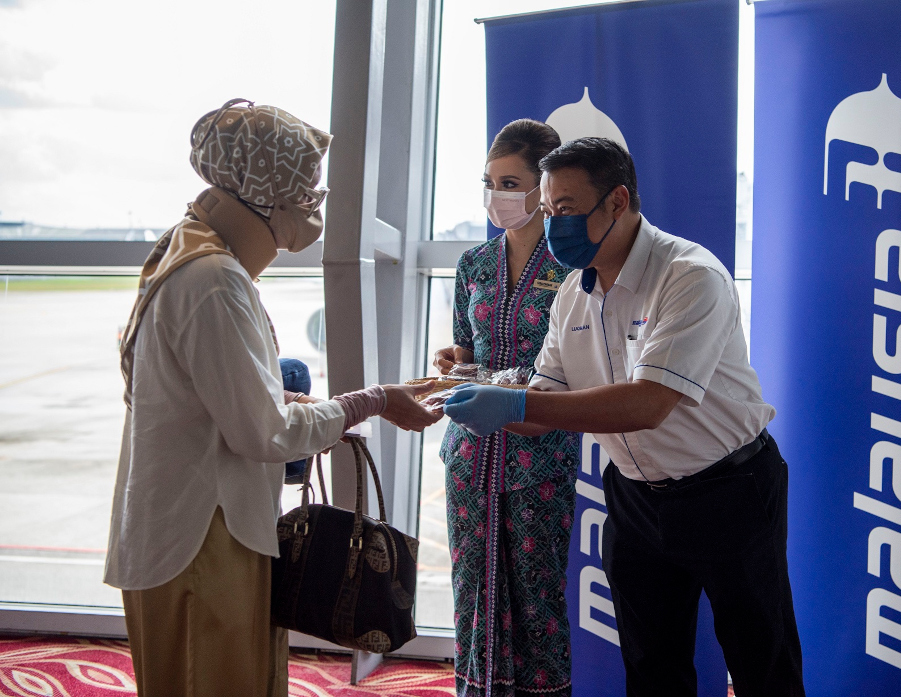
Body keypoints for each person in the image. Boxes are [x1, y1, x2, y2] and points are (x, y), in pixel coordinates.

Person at [444, 137, 805, 697]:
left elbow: (647, 404)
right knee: (651, 663)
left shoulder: (689, 276)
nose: (552, 224)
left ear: (617, 200)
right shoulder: (572, 295)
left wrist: (517, 403)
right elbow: (543, 407)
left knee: (762, 658)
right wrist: (464, 396)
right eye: (547, 209)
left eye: (565, 209)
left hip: (729, 490)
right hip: (635, 497)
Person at [104, 98, 440, 697]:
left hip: (198, 526)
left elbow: (212, 397)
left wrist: (301, 404)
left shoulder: (193, 251)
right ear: (264, 192)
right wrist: (377, 400)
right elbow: (266, 434)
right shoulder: (215, 281)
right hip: (201, 539)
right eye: (305, 190)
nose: (314, 204)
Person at [433, 119, 580, 697]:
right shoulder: (472, 265)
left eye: (511, 182)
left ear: (542, 189)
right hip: (470, 454)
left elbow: (583, 365)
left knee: (536, 594)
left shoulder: (572, 270)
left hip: (537, 452)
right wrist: (453, 362)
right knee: (472, 586)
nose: (498, 195)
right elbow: (465, 352)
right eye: (490, 182)